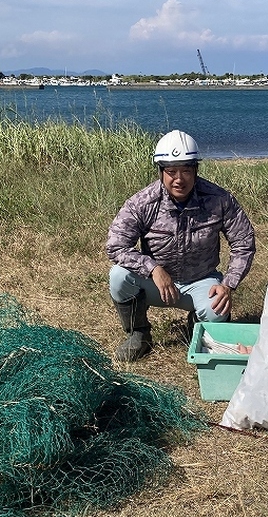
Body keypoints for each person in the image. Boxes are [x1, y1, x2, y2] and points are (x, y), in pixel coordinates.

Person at [106, 129, 256, 362]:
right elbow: (115, 246)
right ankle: (139, 335)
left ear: (196, 169)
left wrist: (228, 284)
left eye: (186, 170)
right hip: (156, 285)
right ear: (160, 171)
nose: (179, 179)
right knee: (119, 276)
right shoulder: (143, 202)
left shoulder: (218, 199)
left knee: (217, 311)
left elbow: (244, 242)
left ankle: (198, 323)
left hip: (202, 281)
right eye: (171, 171)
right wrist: (153, 268)